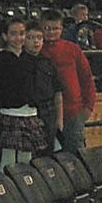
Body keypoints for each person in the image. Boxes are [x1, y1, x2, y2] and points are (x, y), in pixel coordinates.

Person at [0, 18, 49, 168]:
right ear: (5, 36)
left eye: (22, 34)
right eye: (13, 34)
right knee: (8, 159)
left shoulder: (31, 60)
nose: (18, 38)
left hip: (30, 114)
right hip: (9, 113)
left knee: (27, 159)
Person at [41, 10, 96, 153]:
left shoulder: (72, 49)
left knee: (77, 156)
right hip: (45, 114)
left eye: (55, 28)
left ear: (61, 29)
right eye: (47, 28)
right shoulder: (37, 49)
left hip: (73, 112)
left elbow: (86, 78)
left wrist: (88, 107)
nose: (51, 32)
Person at [24, 20, 64, 155]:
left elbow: (57, 92)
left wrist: (59, 118)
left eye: (39, 38)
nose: (36, 42)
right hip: (29, 112)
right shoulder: (19, 62)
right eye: (31, 38)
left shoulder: (47, 62)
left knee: (48, 151)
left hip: (49, 112)